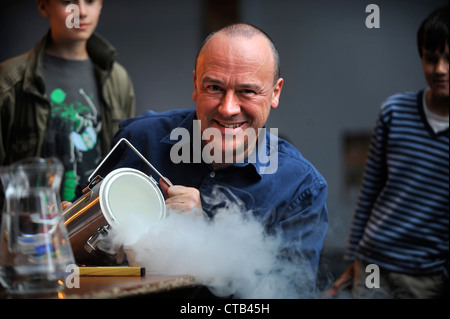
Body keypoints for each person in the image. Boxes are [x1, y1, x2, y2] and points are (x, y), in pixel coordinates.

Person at [101, 23, 328, 297]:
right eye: (214, 87)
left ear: (275, 92)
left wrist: (203, 238)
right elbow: (79, 255)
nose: (228, 108)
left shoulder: (301, 188)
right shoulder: (138, 139)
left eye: (247, 91)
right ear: (196, 84)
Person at [342, 4, 448, 298]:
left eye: (449, 59)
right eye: (431, 58)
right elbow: (370, 190)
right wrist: (352, 258)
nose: (439, 69)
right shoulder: (395, 110)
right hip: (372, 263)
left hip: (427, 277)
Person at [0, 0, 135, 205]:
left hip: (96, 227)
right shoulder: (10, 80)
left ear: (100, 5)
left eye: (90, 1)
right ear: (44, 6)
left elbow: (125, 165)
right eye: (68, 2)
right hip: (32, 230)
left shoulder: (118, 79)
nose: (80, 12)